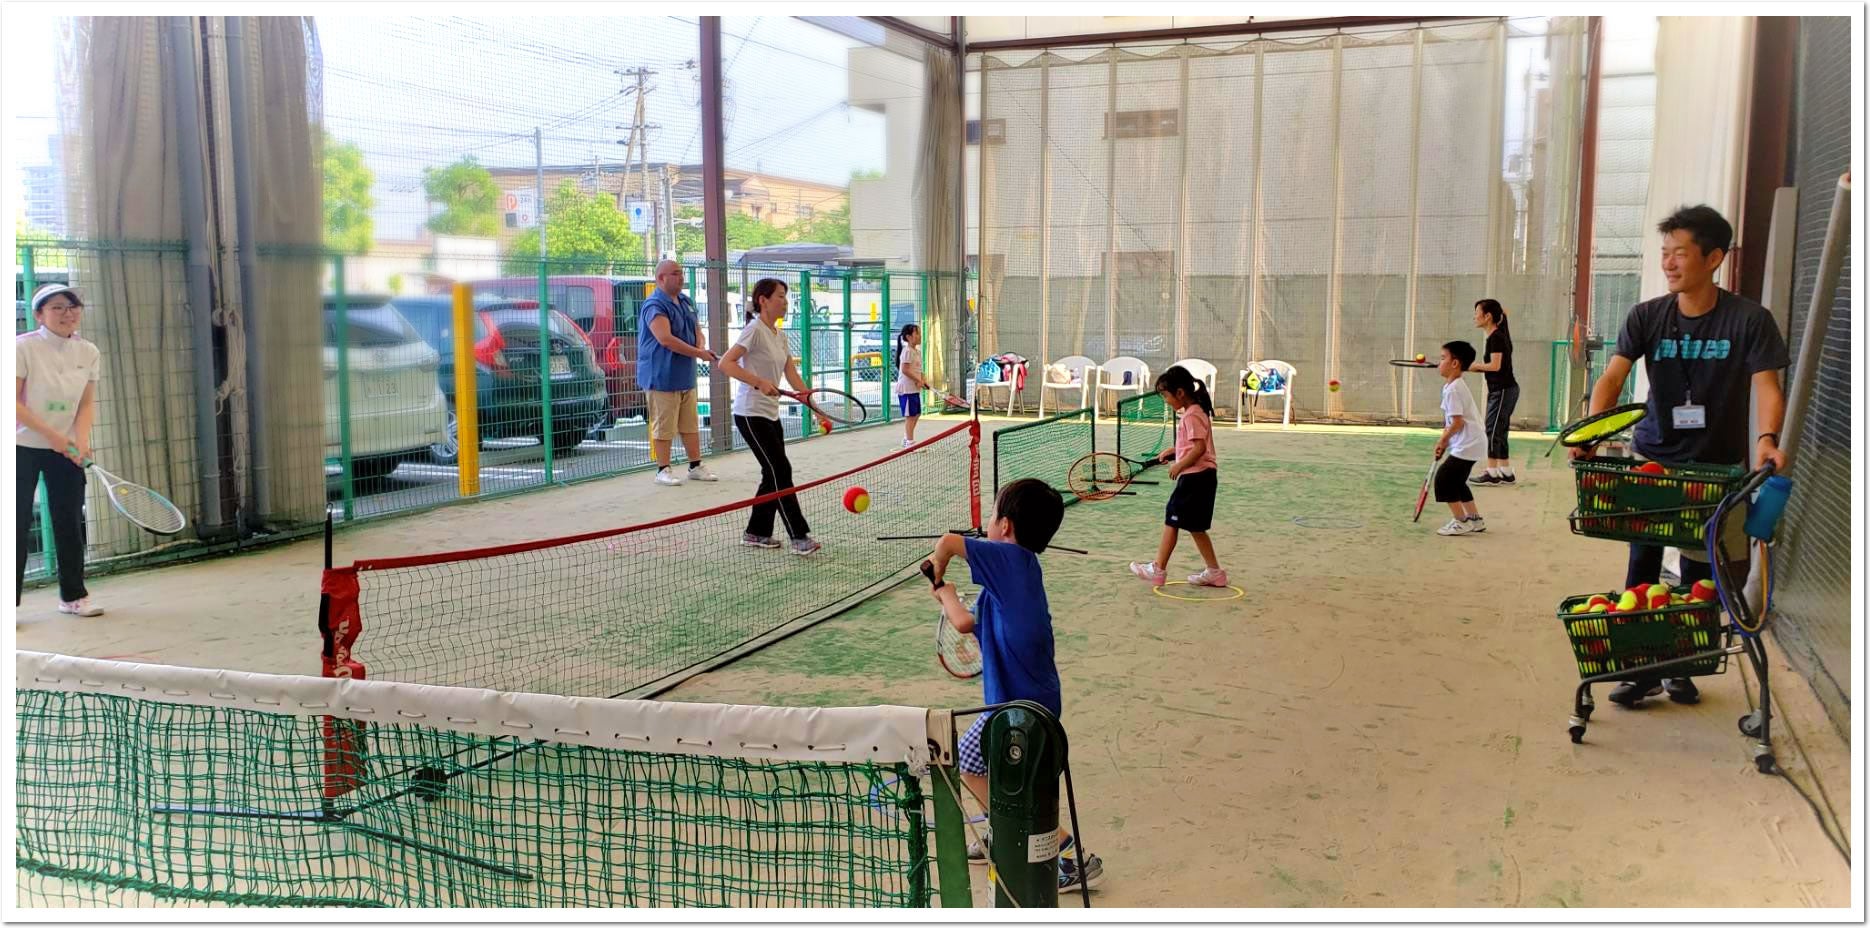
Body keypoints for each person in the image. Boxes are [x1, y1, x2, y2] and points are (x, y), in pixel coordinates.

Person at [1571, 204, 1790, 708]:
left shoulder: (1749, 320)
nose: (1669, 263)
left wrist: (1767, 439)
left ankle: (1682, 668)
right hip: (1652, 460)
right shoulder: (1647, 315)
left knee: (1699, 576)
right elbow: (1613, 376)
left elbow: (1767, 386)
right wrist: (1589, 432)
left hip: (1714, 469)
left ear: (1713, 258)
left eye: (1681, 253)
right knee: (1640, 568)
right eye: (1665, 253)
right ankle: (1643, 668)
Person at [927, 477, 1104, 893]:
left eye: (991, 516)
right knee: (999, 775)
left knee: (970, 764)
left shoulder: (1011, 561)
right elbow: (965, 623)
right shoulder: (1002, 586)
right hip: (1019, 706)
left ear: (1004, 527)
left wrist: (938, 564)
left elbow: (949, 542)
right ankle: (1002, 831)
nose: (987, 524)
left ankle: (1067, 854)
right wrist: (944, 592)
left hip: (1021, 711)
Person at [716, 278, 825, 556]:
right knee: (780, 470)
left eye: (786, 297)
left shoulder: (780, 335)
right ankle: (799, 536)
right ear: (762, 300)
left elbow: (791, 374)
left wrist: (812, 403)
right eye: (779, 296)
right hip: (750, 414)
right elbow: (725, 363)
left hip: (770, 414)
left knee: (771, 472)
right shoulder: (753, 331)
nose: (785, 302)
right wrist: (758, 382)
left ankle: (756, 532)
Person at [16, 283, 103, 616]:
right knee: (15, 524)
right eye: (57, 307)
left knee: (69, 520)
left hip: (65, 448)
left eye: (73, 306)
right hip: (19, 446)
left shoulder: (89, 351)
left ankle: (73, 597)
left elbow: (85, 404)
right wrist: (55, 437)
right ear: (39, 315)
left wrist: (79, 441)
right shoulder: (21, 348)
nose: (67, 313)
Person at [1128, 365, 1227, 587]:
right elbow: (1193, 445)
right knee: (1195, 526)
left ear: (1180, 392)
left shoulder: (1191, 416)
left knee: (1171, 519)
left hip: (1194, 478)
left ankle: (1158, 569)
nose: (1165, 400)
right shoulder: (1196, 411)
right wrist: (1172, 452)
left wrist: (1179, 465)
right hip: (1204, 477)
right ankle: (1215, 572)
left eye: (1166, 395)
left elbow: (1199, 448)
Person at [637, 259, 718, 486]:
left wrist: (699, 344)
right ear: (661, 278)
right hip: (661, 376)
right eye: (675, 273)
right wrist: (698, 353)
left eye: (681, 273)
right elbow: (665, 339)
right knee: (664, 426)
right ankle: (663, 469)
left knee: (690, 424)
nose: (681, 277)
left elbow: (696, 329)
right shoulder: (654, 305)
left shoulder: (685, 301)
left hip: (685, 374)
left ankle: (695, 465)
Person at [1430, 341, 1488, 536]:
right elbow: (1451, 422)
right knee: (1458, 482)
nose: (1440, 362)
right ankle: (1475, 520)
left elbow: (1457, 423)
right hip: (1471, 442)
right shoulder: (1453, 386)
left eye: (1443, 358)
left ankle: (1461, 521)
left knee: (1444, 480)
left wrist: (1443, 441)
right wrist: (1444, 441)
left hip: (1469, 443)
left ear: (1455, 363)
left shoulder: (1454, 389)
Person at [1467, 298, 1518, 486]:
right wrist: (1472, 367)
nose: (1474, 317)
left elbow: (1495, 366)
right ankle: (1504, 470)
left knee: (1492, 429)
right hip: (1504, 390)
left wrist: (1473, 366)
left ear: (1487, 316)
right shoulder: (1497, 336)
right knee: (1500, 430)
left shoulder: (1496, 338)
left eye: (1477, 312)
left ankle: (1491, 472)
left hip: (1503, 390)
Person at [892, 323, 933, 448]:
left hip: (914, 389)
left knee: (917, 414)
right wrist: (917, 380)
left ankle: (906, 438)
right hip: (906, 389)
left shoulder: (917, 352)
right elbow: (905, 369)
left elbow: (918, 370)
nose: (920, 336)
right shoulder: (907, 351)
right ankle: (910, 442)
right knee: (910, 416)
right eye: (917, 333)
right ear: (909, 337)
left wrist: (923, 380)